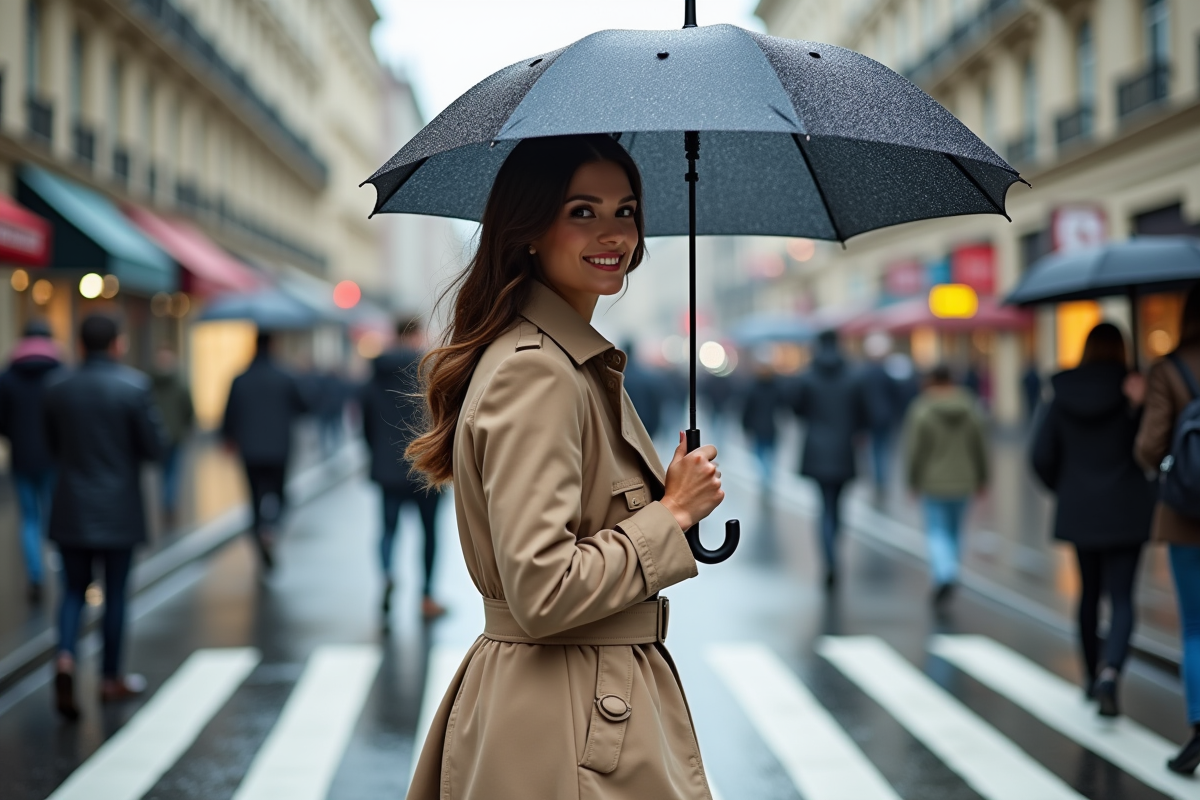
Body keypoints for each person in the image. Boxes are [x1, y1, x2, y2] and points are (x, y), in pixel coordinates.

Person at [402, 135, 722, 799]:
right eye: (583, 211)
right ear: (528, 230)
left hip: (571, 704)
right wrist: (673, 515)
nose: (614, 233)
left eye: (627, 210)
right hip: (567, 721)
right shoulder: (539, 372)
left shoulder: (562, 361)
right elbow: (543, 589)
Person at [43, 314, 165, 719]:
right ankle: (110, 678)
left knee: (73, 590)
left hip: (71, 505)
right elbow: (152, 448)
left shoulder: (57, 388)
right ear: (116, 344)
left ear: (80, 345)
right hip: (118, 509)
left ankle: (64, 657)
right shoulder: (133, 387)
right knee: (115, 595)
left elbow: (51, 446)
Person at [1031, 323, 1154, 717]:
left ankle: (1089, 675)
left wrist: (1065, 487)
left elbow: (1040, 454)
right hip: (1127, 509)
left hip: (1080, 507)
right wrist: (1138, 409)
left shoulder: (1061, 394)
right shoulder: (1133, 391)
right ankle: (1111, 673)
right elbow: (1151, 449)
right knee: (1121, 597)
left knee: (1088, 594)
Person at [1135, 284, 1200, 774]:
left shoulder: (1170, 369)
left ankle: (1199, 732)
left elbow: (1150, 449)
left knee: (1197, 630)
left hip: (1187, 518)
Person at [359, 317, 444, 621]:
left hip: (387, 466)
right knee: (429, 534)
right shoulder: (430, 369)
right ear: (418, 334)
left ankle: (386, 574)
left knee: (388, 529)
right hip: (426, 466)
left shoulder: (376, 371)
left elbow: (365, 418)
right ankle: (426, 596)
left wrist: (375, 452)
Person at [902, 364, 989, 606]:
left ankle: (944, 573)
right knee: (955, 530)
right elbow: (979, 445)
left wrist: (912, 480)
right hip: (965, 479)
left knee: (937, 531)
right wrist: (983, 478)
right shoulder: (970, 406)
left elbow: (915, 450)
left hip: (933, 480)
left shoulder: (922, 408)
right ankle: (951, 570)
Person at [221, 332, 309, 571]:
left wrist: (228, 439)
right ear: (273, 346)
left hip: (249, 449)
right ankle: (272, 528)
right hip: (279, 448)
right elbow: (304, 406)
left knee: (254, 497)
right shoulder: (285, 376)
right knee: (280, 494)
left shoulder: (240, 378)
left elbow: (229, 414)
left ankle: (260, 535)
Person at [792, 329, 866, 589]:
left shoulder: (808, 376)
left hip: (816, 449)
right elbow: (864, 413)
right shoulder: (853, 376)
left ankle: (829, 559)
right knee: (838, 506)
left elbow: (797, 409)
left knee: (823, 507)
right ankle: (835, 553)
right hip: (844, 448)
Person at [0, 319, 63, 603]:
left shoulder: (9, 376)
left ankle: (36, 576)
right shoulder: (60, 373)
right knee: (56, 518)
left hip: (22, 457)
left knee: (29, 519)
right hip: (54, 457)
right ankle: (64, 575)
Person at [149, 345, 194, 525]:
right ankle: (169, 502)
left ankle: (164, 500)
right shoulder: (179, 381)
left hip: (157, 434)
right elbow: (188, 407)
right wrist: (187, 426)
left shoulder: (149, 382)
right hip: (175, 434)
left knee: (163, 471)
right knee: (173, 471)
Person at [860, 332, 902, 498]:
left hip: (871, 417)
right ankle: (881, 479)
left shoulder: (864, 373)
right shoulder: (887, 372)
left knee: (875, 450)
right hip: (885, 417)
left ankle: (878, 479)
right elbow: (896, 394)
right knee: (882, 449)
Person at [740, 361, 782, 487]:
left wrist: (745, 425)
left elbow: (747, 409)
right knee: (768, 454)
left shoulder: (753, 388)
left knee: (760, 453)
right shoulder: (775, 388)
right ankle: (767, 475)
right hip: (771, 426)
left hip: (758, 426)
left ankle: (765, 476)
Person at [621, 340, 666, 441]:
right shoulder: (646, 376)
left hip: (623, 427)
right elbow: (655, 404)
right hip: (644, 426)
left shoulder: (617, 377)